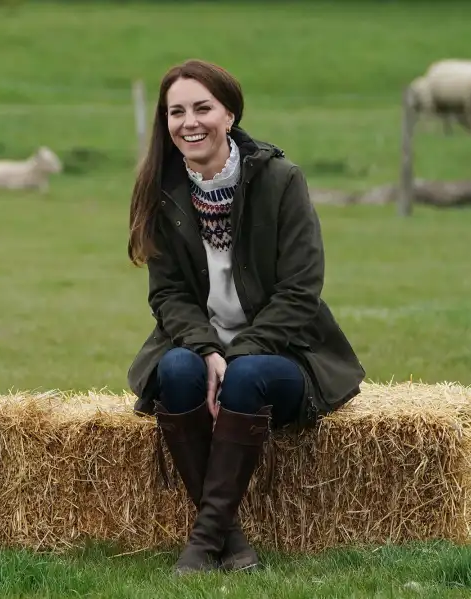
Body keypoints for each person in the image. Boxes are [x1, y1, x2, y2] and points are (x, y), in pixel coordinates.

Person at [126, 59, 365, 574]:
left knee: (248, 377)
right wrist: (208, 350)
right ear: (165, 124)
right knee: (175, 371)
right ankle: (229, 542)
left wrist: (236, 355)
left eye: (202, 108)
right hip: (198, 345)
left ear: (229, 114)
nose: (189, 122)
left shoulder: (281, 180)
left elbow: (301, 291)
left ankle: (203, 541)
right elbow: (168, 295)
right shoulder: (163, 191)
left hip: (283, 352)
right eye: (176, 112)